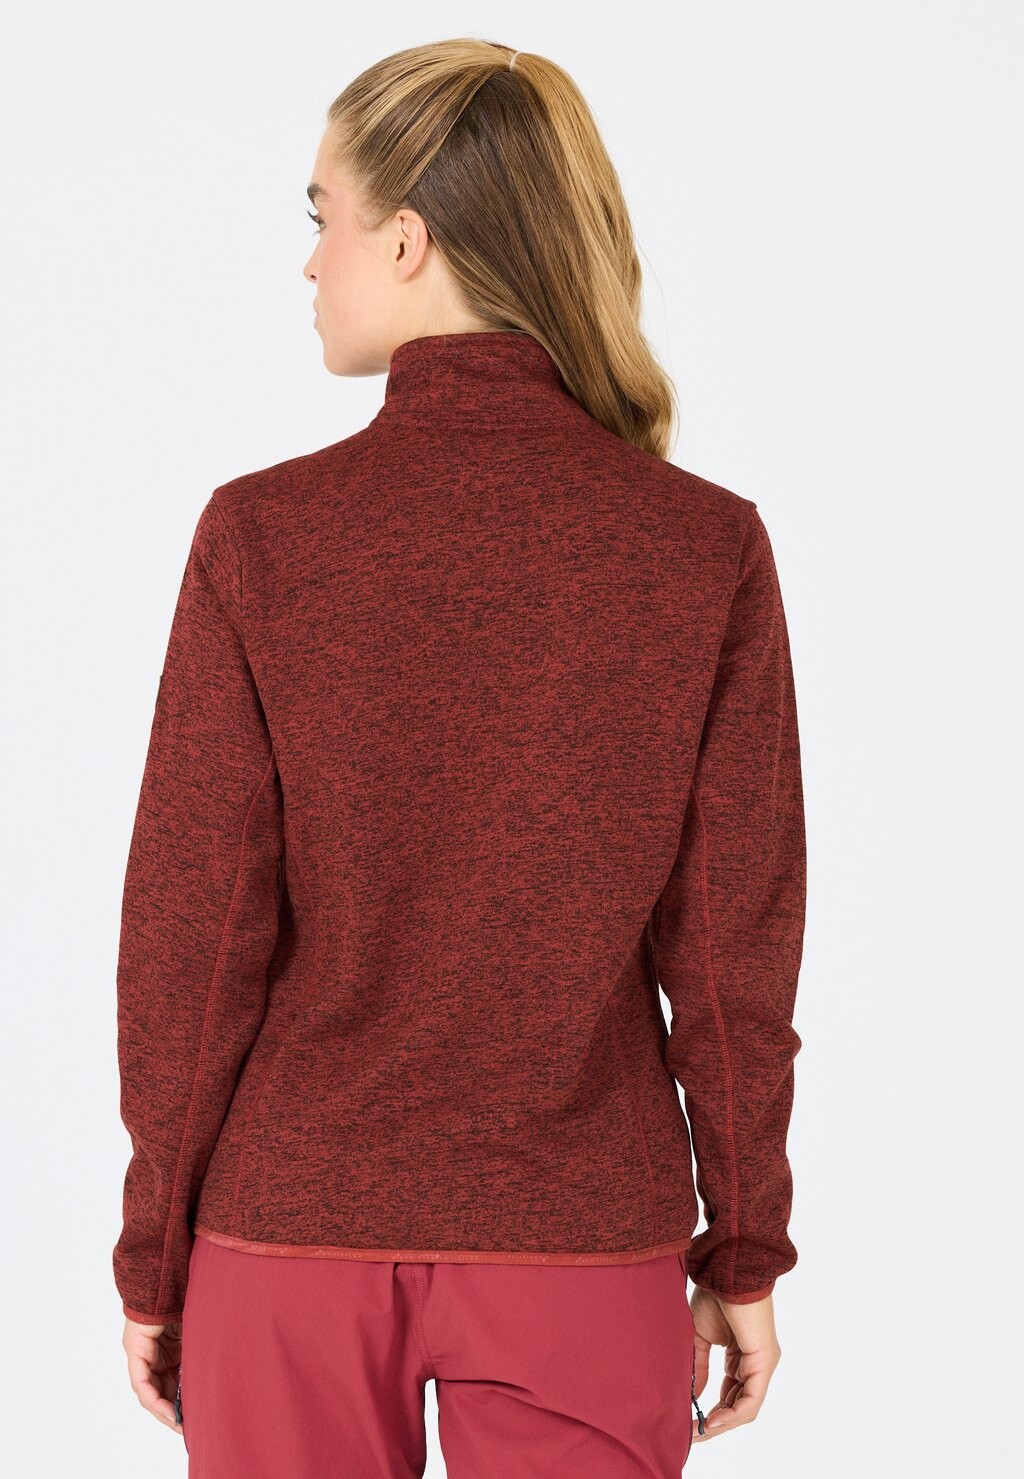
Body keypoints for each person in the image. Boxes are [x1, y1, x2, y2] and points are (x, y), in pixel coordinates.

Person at [114, 37, 806, 1479]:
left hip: (289, 1238)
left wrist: (155, 1255)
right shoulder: (700, 547)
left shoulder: (261, 538)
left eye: (324, 217)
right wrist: (744, 1245)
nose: (311, 262)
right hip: (585, 1242)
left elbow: (194, 941)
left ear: (408, 240)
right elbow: (731, 957)